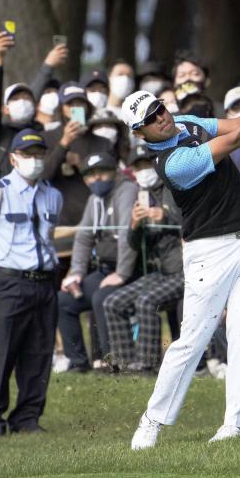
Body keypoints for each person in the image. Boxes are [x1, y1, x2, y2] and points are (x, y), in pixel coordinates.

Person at [124, 84, 240, 450]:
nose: (161, 117)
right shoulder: (173, 164)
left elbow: (235, 123)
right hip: (211, 252)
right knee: (192, 341)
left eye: (159, 108)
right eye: (150, 119)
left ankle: (235, 424)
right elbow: (235, 139)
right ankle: (153, 420)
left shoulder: (186, 121)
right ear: (139, 133)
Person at [0, 129, 63, 438]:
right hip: (8, 282)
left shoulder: (53, 195)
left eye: (38, 154)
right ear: (13, 158)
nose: (34, 161)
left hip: (45, 283)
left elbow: (49, 235)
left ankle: (28, 418)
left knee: (39, 353)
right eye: (27, 155)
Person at [101, 146, 184, 373]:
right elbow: (134, 245)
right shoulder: (139, 195)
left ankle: (147, 363)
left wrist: (166, 216)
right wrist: (135, 226)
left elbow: (193, 223)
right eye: (138, 168)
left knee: (146, 301)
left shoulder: (174, 188)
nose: (143, 171)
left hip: (184, 271)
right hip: (158, 273)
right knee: (113, 302)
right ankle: (124, 364)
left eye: (147, 165)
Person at [57, 152, 135, 373]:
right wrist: (76, 272)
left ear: (114, 172)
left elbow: (127, 234)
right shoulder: (94, 199)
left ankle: (113, 363)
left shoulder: (126, 190)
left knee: (102, 298)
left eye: (102, 172)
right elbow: (83, 237)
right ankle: (78, 362)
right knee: (63, 300)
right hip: (103, 269)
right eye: (90, 175)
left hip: (131, 270)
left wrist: (122, 273)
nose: (96, 179)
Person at [41, 82, 114, 226]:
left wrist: (82, 164)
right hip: (59, 220)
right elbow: (43, 176)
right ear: (61, 109)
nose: (76, 108)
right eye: (70, 104)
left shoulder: (102, 143)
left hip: (95, 219)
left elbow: (109, 182)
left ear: (87, 108)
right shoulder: (46, 138)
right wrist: (63, 143)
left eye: (80, 103)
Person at [0, 32, 46, 182]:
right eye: (16, 99)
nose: (22, 102)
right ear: (5, 108)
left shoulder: (43, 134)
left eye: (26, 98)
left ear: (35, 106)